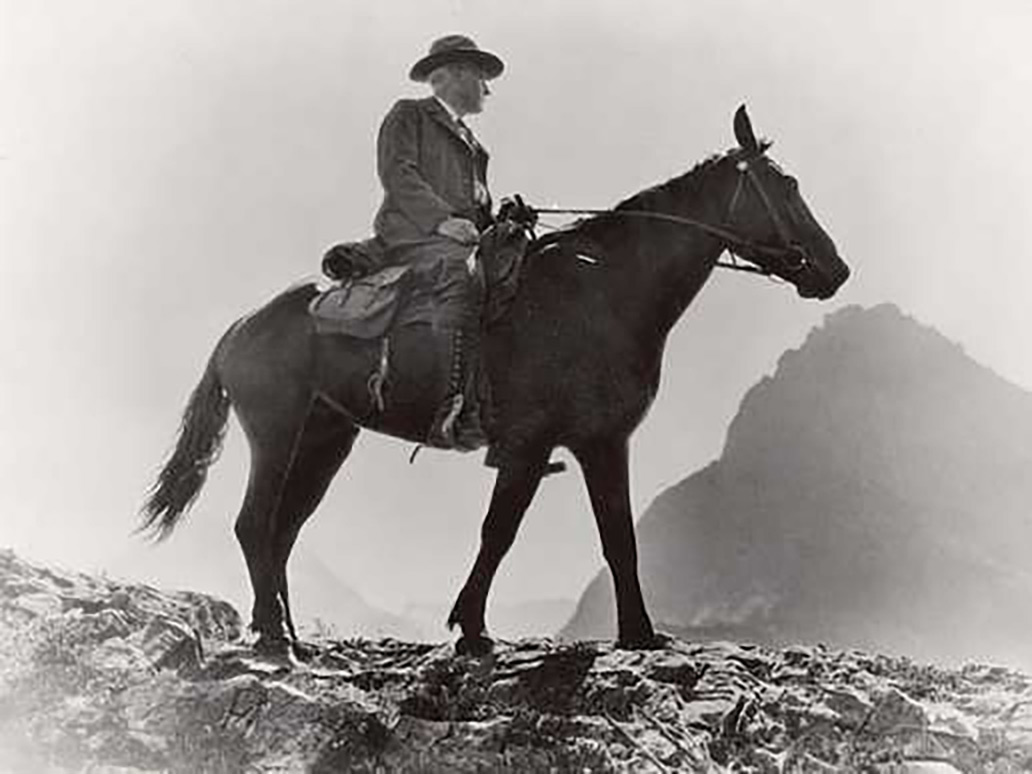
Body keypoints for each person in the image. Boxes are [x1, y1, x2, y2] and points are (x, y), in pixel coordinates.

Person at [373, 34, 505, 449]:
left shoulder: (475, 146)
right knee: (461, 275)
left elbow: (477, 212)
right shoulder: (409, 114)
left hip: (459, 240)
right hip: (413, 236)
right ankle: (449, 408)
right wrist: (443, 222)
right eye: (482, 77)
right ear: (454, 75)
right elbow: (398, 174)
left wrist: (503, 222)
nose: (487, 88)